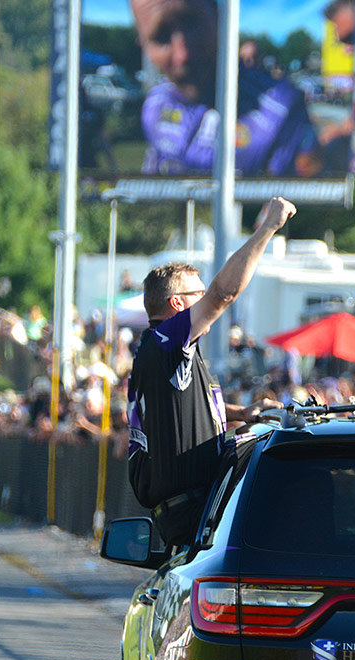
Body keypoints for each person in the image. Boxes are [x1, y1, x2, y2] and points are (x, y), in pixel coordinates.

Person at [126, 196, 296, 550]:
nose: (204, 298)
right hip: (189, 511)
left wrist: (240, 413)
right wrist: (269, 226)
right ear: (177, 303)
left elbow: (178, 416)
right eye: (196, 293)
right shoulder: (167, 339)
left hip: (188, 509)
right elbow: (225, 292)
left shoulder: (164, 352)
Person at [130, 0, 322, 176]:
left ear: (221, 18)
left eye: (193, 24)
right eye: (161, 38)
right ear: (143, 46)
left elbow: (298, 208)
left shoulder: (281, 111)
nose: (183, 54)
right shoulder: (155, 105)